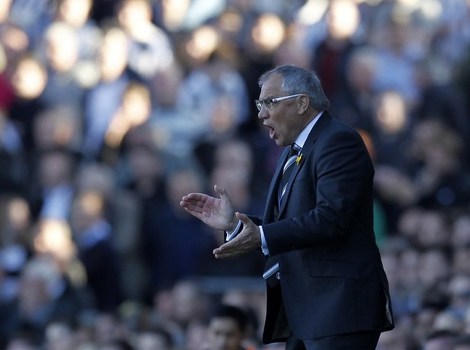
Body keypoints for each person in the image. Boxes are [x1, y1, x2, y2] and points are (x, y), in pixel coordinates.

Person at [180, 64, 394, 349]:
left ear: (302, 103)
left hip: (339, 310)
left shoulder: (338, 141)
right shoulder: (291, 152)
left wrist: (262, 236)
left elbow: (330, 218)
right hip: (304, 312)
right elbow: (290, 221)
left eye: (269, 102)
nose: (261, 114)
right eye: (259, 104)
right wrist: (235, 224)